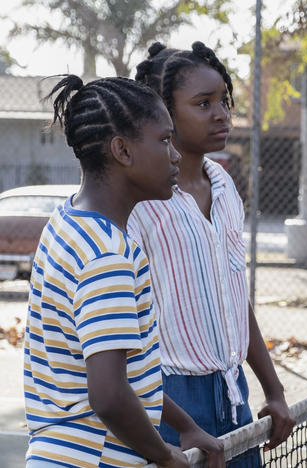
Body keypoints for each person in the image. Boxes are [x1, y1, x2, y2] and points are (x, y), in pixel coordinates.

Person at [24, 75, 225, 467]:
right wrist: (163, 456)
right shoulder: (108, 254)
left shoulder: (67, 220)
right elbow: (109, 395)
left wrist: (184, 425)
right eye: (164, 140)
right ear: (122, 151)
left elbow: (125, 371)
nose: (175, 155)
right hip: (92, 459)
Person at [129, 41, 295, 466]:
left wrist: (273, 390)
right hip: (167, 399)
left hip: (232, 391)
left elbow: (234, 298)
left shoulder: (222, 184)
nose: (221, 113)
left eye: (223, 99)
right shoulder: (140, 201)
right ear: (164, 112)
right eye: (203, 103)